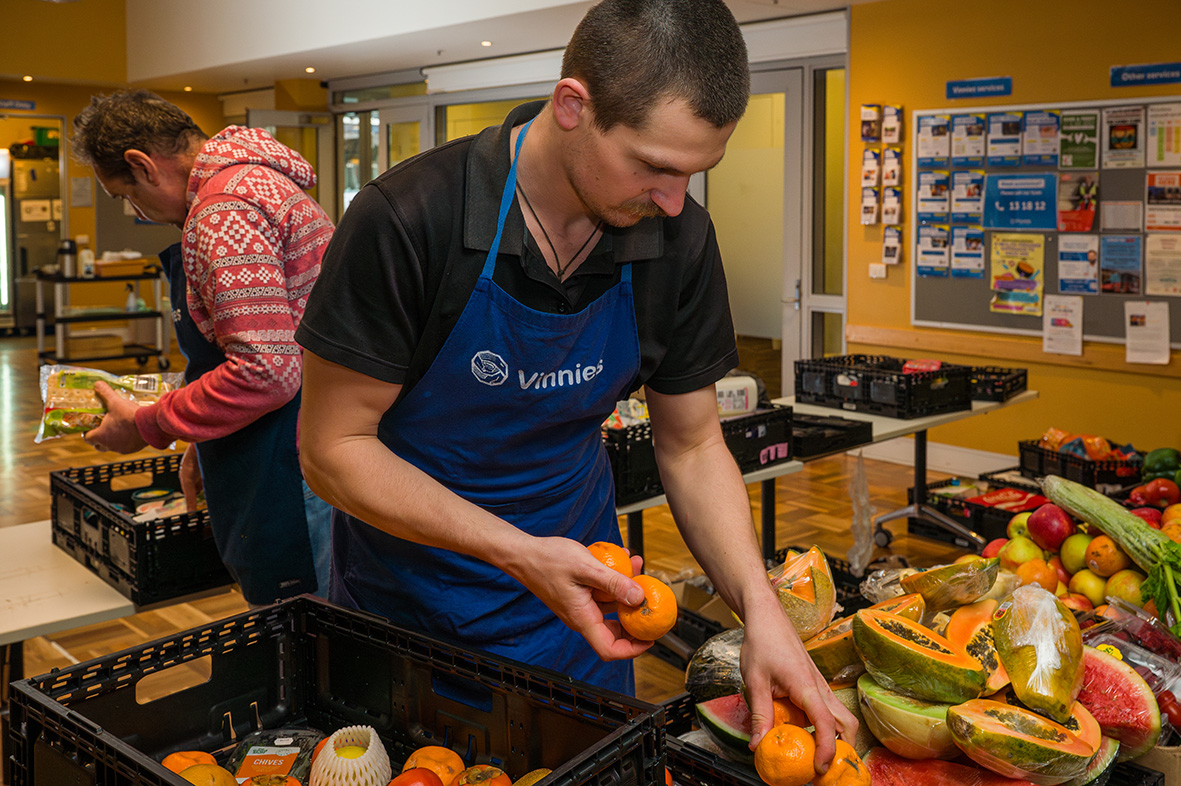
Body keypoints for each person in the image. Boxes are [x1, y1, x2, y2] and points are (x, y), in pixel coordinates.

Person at [295, 0, 856, 771]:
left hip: (588, 615)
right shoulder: (408, 218)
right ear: (572, 107)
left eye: (693, 173)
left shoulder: (679, 239)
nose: (672, 199)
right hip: (408, 610)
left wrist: (761, 609)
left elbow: (690, 444)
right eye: (654, 165)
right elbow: (331, 449)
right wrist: (519, 553)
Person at [71, 90, 335, 606]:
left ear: (142, 165)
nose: (138, 212)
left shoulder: (222, 212)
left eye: (126, 195)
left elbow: (266, 372)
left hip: (290, 461)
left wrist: (147, 423)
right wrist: (201, 434)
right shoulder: (259, 180)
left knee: (309, 638)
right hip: (304, 441)